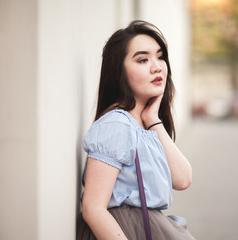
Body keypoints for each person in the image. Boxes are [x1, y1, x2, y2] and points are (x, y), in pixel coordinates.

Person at [77, 20, 194, 240]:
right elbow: (93, 208)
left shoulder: (142, 123)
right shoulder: (116, 124)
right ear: (119, 71)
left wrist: (152, 119)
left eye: (160, 56)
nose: (157, 66)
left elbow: (183, 179)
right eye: (142, 59)